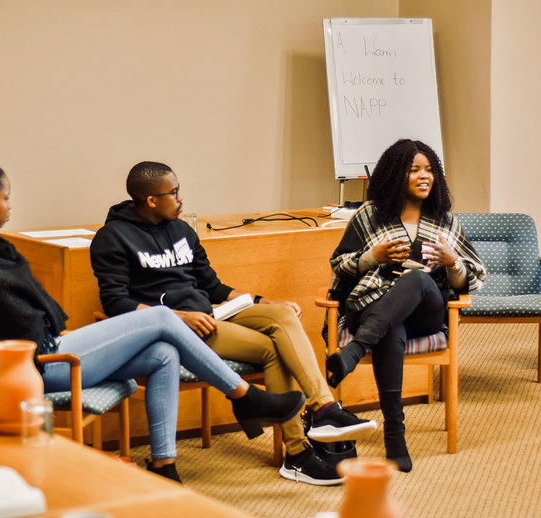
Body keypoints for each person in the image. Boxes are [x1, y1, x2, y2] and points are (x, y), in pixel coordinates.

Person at [0, 148, 305, 484]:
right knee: (161, 320)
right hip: (30, 372)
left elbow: (28, 318)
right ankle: (244, 395)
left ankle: (164, 465)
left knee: (163, 354)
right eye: (5, 198)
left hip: (40, 355)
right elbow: (24, 327)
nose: (10, 205)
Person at [90, 161, 378, 486]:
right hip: (176, 329)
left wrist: (258, 301)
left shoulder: (181, 230)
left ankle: (324, 410)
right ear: (151, 200)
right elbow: (116, 304)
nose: (180, 197)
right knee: (274, 349)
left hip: (209, 313)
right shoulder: (112, 238)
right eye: (173, 193)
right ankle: (297, 452)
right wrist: (178, 317)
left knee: (282, 314)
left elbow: (212, 285)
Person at [325, 139, 486, 472]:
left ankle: (353, 352)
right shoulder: (369, 216)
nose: (424, 176)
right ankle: (395, 435)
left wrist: (452, 262)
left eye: (429, 170)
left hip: (425, 312)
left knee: (415, 281)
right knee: (390, 327)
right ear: (396, 174)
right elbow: (339, 266)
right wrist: (374, 257)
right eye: (415, 170)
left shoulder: (445, 221)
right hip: (375, 307)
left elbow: (475, 277)